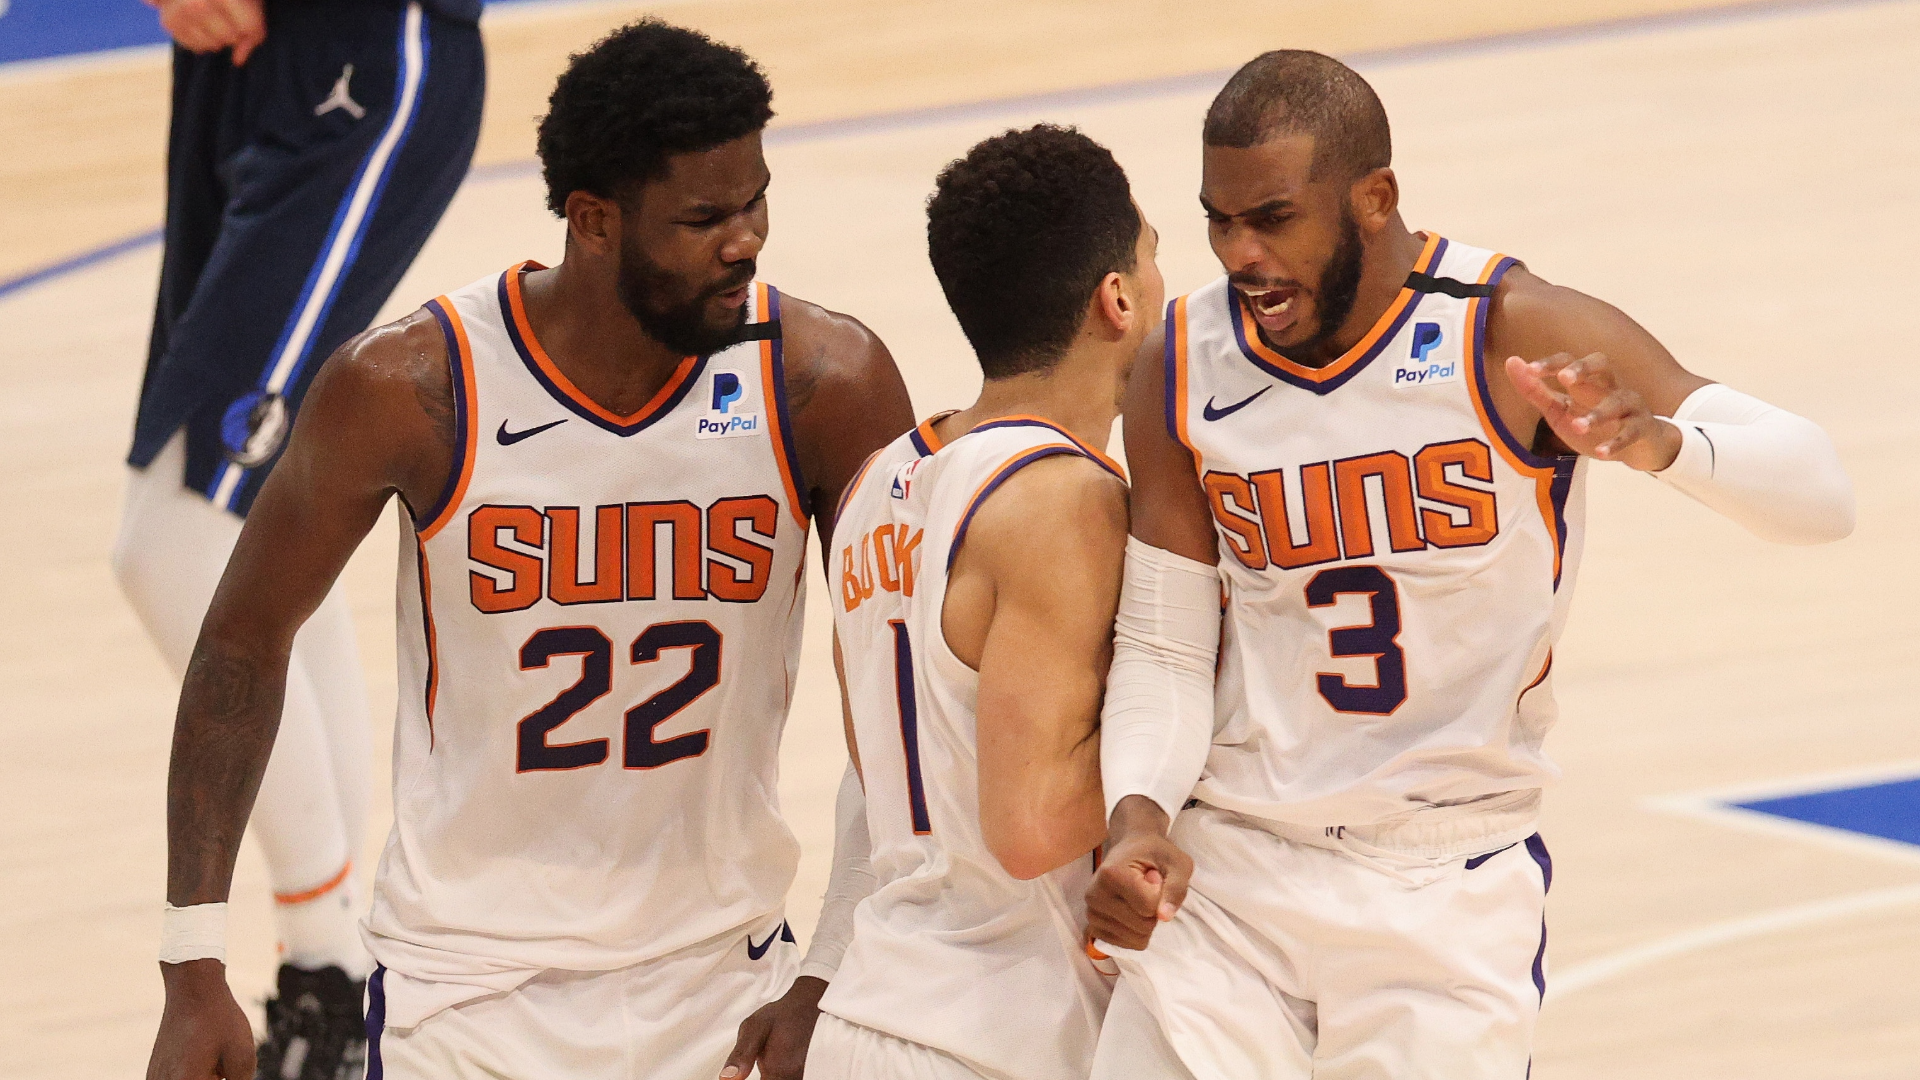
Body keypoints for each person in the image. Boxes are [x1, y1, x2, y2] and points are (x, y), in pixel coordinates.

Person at [142, 20, 914, 1080]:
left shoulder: (823, 382)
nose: (746, 240)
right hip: (459, 999)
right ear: (593, 222)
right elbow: (241, 642)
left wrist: (829, 968)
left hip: (725, 982)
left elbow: (907, 696)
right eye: (704, 218)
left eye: (755, 201)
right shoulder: (412, 388)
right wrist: (193, 961)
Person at [1086, 50, 1855, 1080]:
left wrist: (1657, 446)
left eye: (1273, 217)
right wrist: (1137, 809)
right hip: (1232, 876)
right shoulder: (1182, 359)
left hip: (1443, 883)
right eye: (1221, 220)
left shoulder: (1508, 329)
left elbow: (1822, 495)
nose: (1242, 253)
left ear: (1374, 198)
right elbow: (1165, 638)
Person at [115, 0, 483, 1074]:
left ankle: (334, 975)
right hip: (238, 58)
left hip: (365, 51)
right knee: (253, 520)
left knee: (171, 539)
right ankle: (338, 962)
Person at [803, 125, 1162, 1080]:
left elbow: (878, 761)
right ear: (1117, 299)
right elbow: (1032, 824)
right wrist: (1201, 700)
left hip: (875, 1011)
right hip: (995, 1033)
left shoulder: (882, 479)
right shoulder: (1064, 497)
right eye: (1155, 257)